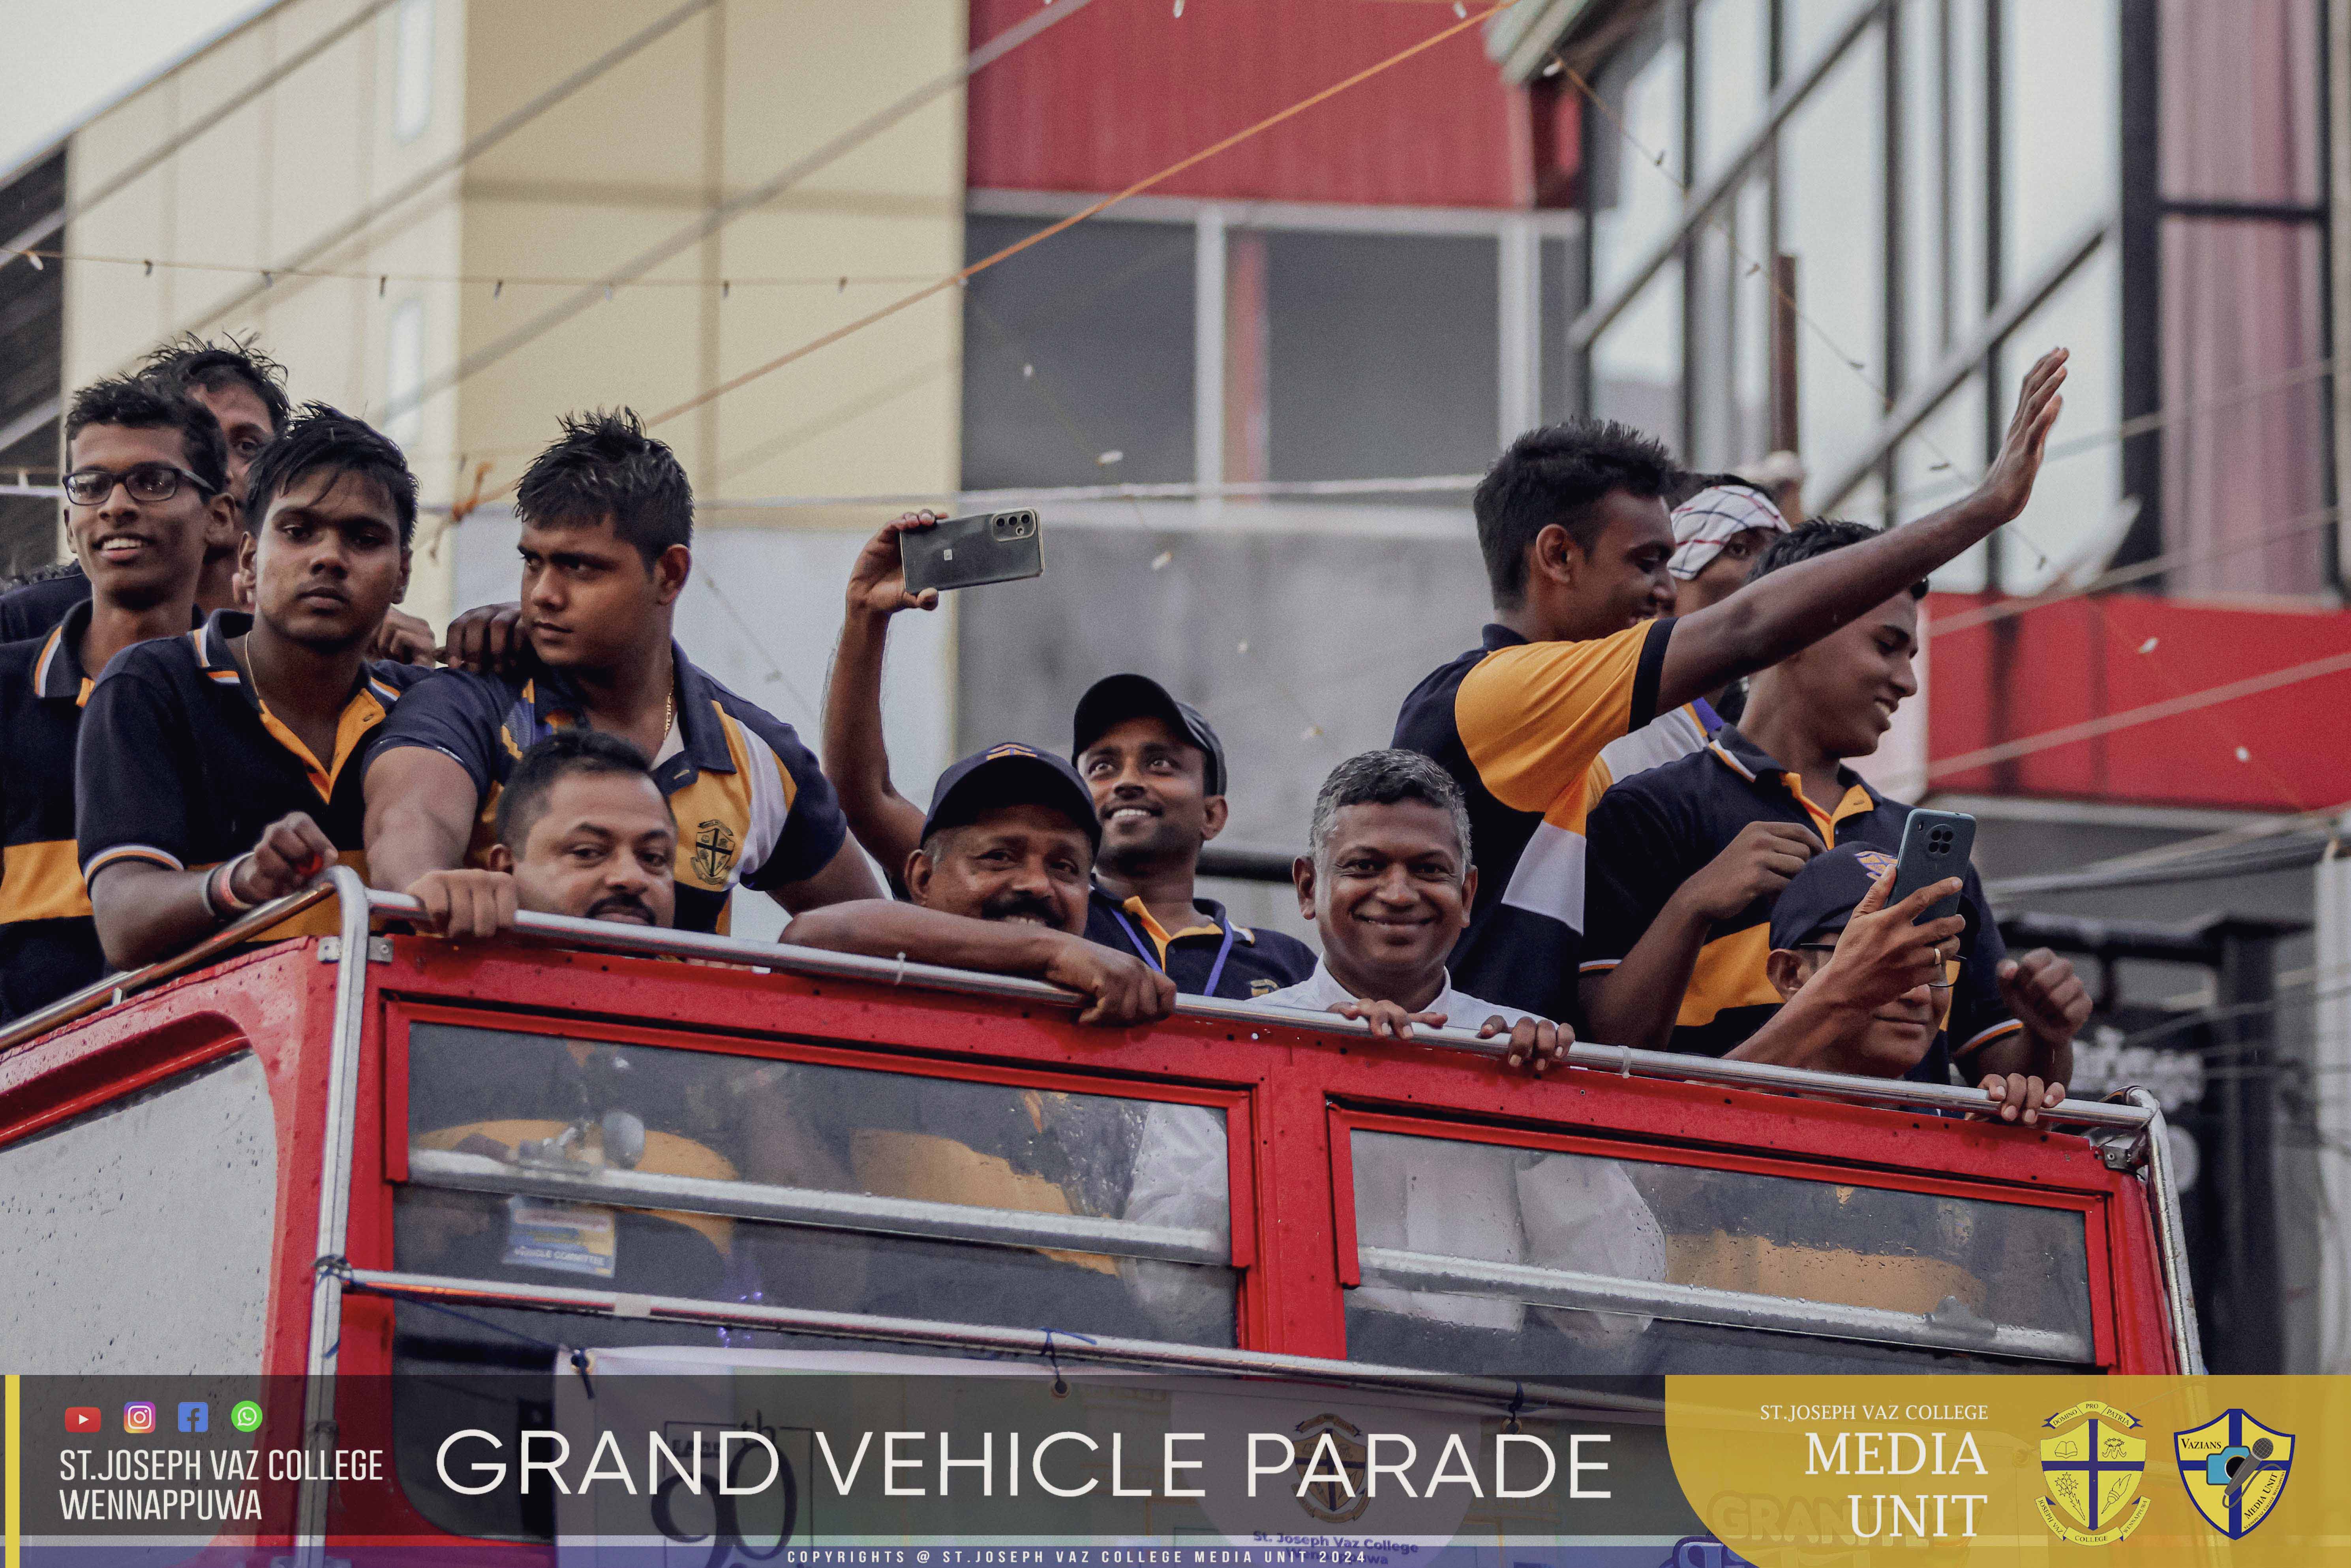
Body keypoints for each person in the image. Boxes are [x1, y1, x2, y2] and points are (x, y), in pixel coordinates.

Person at [1392, 349, 2068, 1024]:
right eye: (1650, 563)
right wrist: (1984, 508)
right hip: (1461, 1101)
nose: (1666, 592)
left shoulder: (1616, 749)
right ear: (1559, 556)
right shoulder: (1491, 697)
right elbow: (1746, 627)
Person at [1123, 751, 1665, 1363]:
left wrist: (1539, 1130)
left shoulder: (1527, 1050)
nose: (1398, 893)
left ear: (1466, 895)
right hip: (1290, 1418)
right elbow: (1165, 1291)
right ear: (1308, 887)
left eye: (1428, 869)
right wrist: (1293, 1090)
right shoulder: (1233, 1046)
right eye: (1364, 866)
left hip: (1478, 1422)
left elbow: (1617, 1318)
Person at [1580, 520, 2089, 1114]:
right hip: (1701, 1193)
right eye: (1885, 645)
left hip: (1893, 1199)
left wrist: (2048, 1038)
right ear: (1796, 626)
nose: (1906, 682)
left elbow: (2007, 1082)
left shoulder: (1928, 851)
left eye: (1910, 655)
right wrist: (1692, 905)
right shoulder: (1648, 811)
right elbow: (1603, 1056)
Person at [362, 409, 881, 935]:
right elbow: (407, 822)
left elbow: (869, 935)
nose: (543, 593)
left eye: (580, 567)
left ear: (669, 574)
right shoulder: (467, 702)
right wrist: (426, 882)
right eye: (533, 562)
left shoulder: (758, 755)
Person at [822, 511, 1314, 998]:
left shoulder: (1283, 961)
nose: (1127, 780)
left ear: (1213, 812)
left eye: (1159, 763)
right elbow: (866, 798)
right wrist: (866, 616)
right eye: (1101, 766)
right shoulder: (1038, 912)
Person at [413, 734, 1176, 1028]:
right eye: (998, 857)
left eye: (655, 858)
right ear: (920, 877)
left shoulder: (1120, 996)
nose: (1036, 887)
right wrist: (1045, 955)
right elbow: (818, 931)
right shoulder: (889, 984)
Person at [76, 405, 428, 969]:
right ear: (248, 557)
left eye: (364, 539)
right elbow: (123, 920)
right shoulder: (151, 686)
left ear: (403, 573)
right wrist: (241, 881)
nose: (328, 558)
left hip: (379, 1052)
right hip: (215, 1054)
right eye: (297, 531)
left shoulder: (426, 706)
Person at [0, 378, 235, 1017]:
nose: (116, 505)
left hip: (208, 1080)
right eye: (92, 485)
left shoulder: (257, 703)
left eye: (153, 481)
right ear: (67, 519)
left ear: (218, 516)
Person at [0, 334, 436, 662]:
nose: (223, 470)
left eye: (248, 446)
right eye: (198, 450)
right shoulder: (27, 623)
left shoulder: (315, 621)